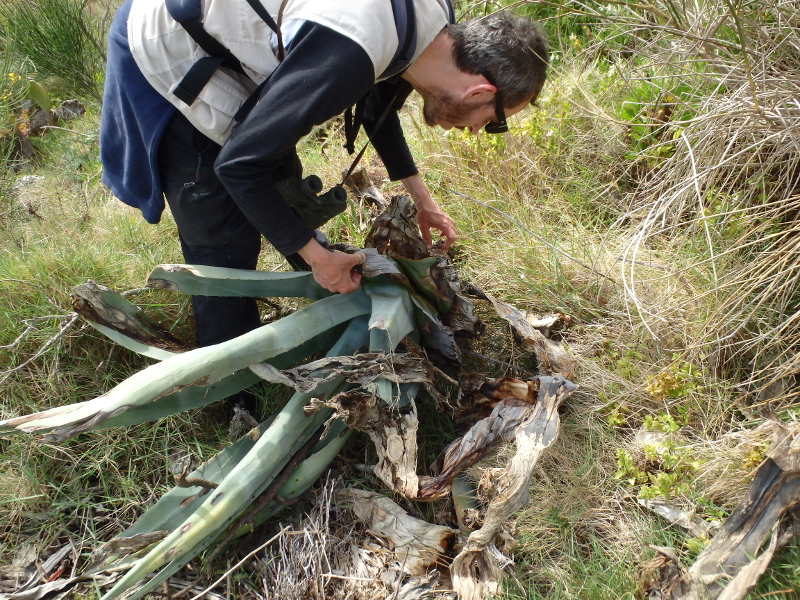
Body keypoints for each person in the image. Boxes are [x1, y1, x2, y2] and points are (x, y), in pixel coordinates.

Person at [100, 0, 548, 350]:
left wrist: (423, 201)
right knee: (221, 228)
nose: (477, 130)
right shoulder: (351, 49)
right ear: (480, 90)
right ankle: (227, 392)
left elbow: (379, 105)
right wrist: (316, 256)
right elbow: (237, 166)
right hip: (170, 40)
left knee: (279, 178)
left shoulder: (435, 27)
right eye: (494, 120)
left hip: (234, 34)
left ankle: (329, 284)